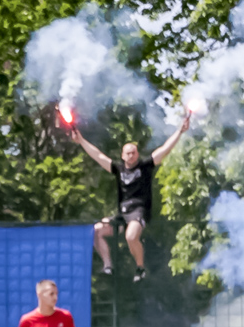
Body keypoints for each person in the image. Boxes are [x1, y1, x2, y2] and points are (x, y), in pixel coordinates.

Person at [72, 111, 192, 281]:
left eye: (133, 152)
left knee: (131, 236)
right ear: (122, 155)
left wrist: (180, 131)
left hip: (139, 211)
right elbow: (98, 155)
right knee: (97, 230)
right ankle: (107, 266)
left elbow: (165, 149)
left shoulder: (145, 166)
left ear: (137, 154)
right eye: (127, 153)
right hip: (122, 213)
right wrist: (81, 140)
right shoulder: (118, 169)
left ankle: (140, 268)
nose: (131, 155)